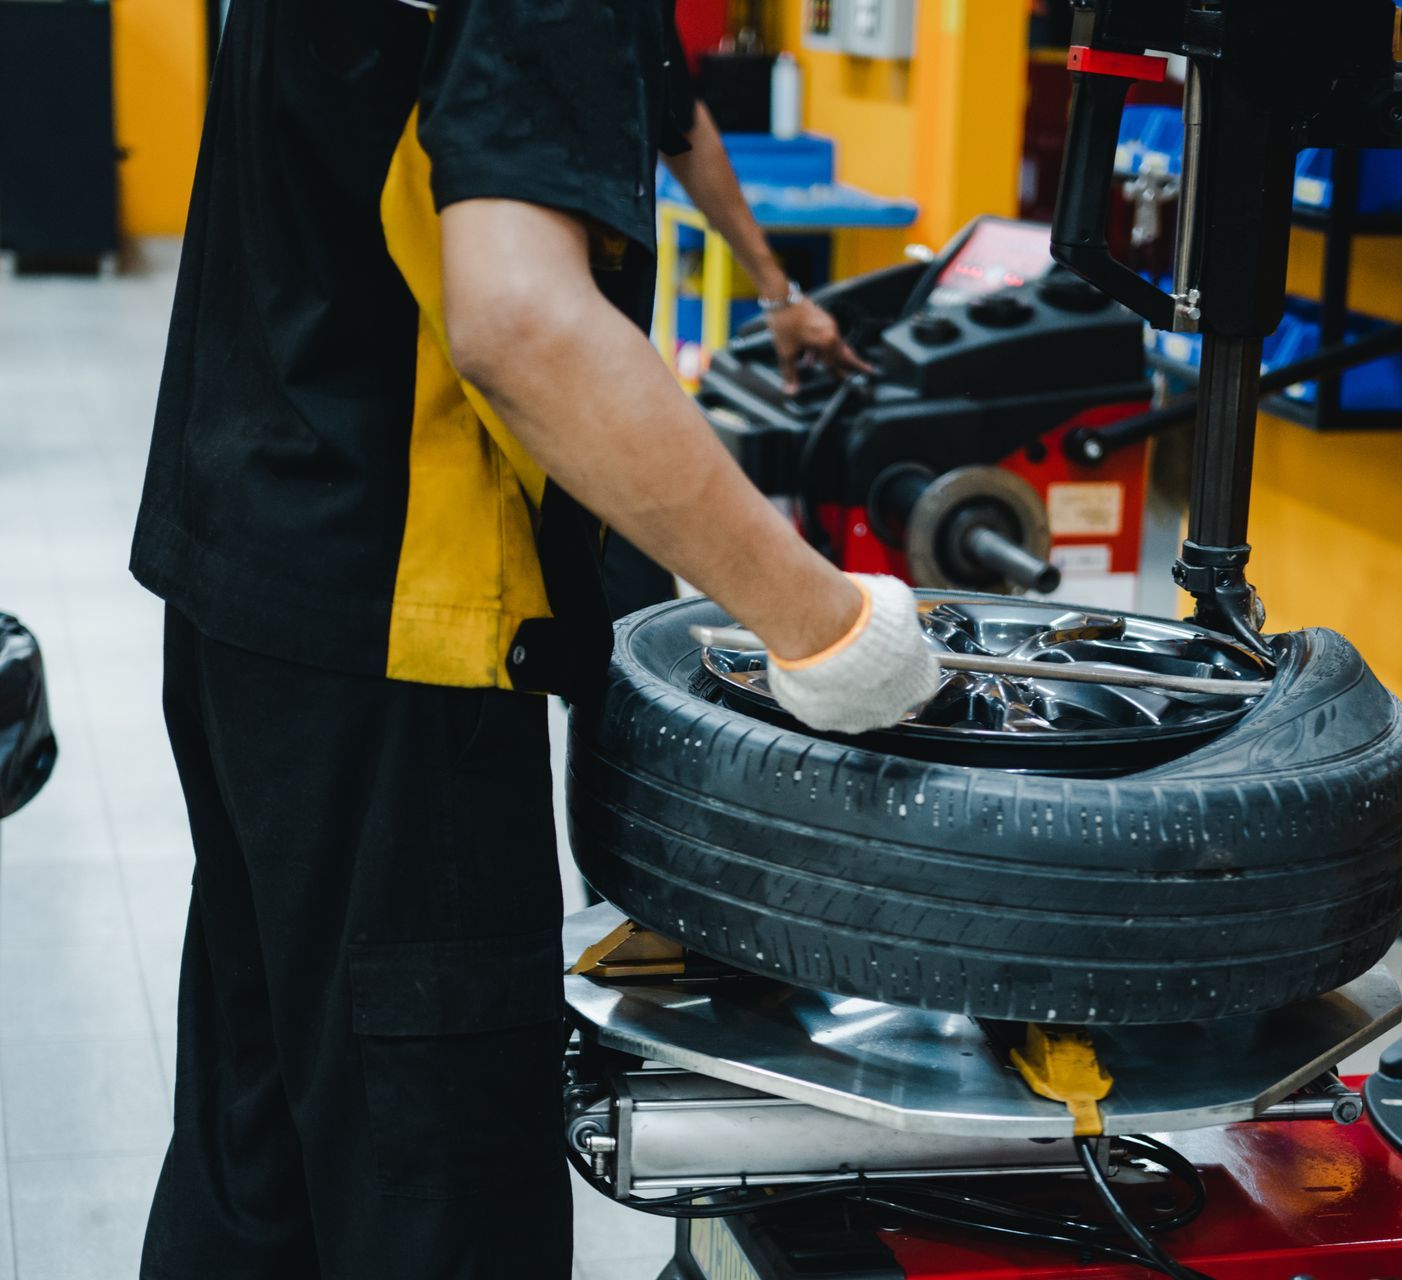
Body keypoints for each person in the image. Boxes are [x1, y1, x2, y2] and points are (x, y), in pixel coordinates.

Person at [126, 1, 937, 1276]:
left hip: (251, 587)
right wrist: (829, 626)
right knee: (432, 1195)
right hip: (402, 640)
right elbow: (524, 325)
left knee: (262, 1149)